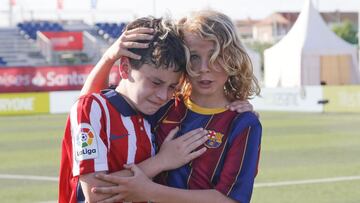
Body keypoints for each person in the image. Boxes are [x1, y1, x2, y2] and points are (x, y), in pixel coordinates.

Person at [83, 10, 262, 203]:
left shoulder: (243, 123)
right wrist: (109, 58)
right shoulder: (163, 104)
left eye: (215, 56)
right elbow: (89, 105)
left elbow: (231, 200)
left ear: (233, 59)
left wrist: (150, 191)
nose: (203, 67)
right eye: (193, 56)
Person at [58, 16, 210, 203]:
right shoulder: (93, 109)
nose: (163, 95)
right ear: (124, 68)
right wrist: (162, 161)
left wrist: (238, 105)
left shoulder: (158, 112)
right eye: (155, 82)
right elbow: (96, 194)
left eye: (172, 87)